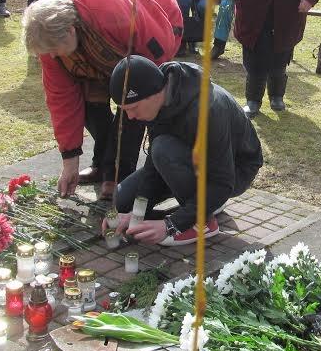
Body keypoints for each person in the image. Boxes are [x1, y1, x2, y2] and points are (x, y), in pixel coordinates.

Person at [21, 0, 183, 198]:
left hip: (157, 15)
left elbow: (158, 52)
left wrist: (147, 92)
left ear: (70, 30)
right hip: (103, 27)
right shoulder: (50, 40)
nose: (53, 57)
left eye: (55, 51)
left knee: (134, 103)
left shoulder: (113, 14)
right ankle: (103, 164)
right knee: (89, 102)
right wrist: (70, 160)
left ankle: (119, 172)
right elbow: (62, 100)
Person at [102, 55, 263, 247]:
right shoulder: (159, 100)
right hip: (183, 158)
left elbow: (222, 182)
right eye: (124, 110)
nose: (130, 116)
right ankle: (199, 203)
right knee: (122, 202)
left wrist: (171, 224)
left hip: (234, 171)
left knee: (163, 149)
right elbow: (153, 166)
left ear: (153, 93)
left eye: (133, 108)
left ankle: (203, 222)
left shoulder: (207, 108)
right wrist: (137, 214)